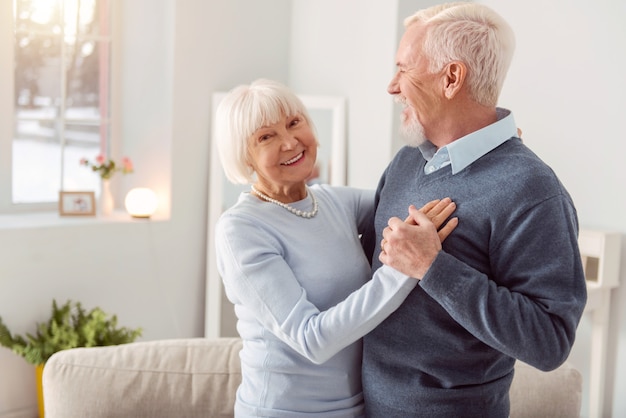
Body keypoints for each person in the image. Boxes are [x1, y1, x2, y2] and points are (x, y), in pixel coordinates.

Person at [360, 3, 588, 417]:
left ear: (452, 78)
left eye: (404, 69)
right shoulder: (407, 162)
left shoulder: (532, 189)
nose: (392, 87)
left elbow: (550, 341)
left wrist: (433, 266)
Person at [213, 78, 457, 417]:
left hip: (357, 407)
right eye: (266, 137)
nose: (289, 142)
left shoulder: (333, 202)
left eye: (294, 123)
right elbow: (312, 339)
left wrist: (481, 154)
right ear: (245, 157)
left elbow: (415, 201)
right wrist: (405, 266)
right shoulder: (240, 229)